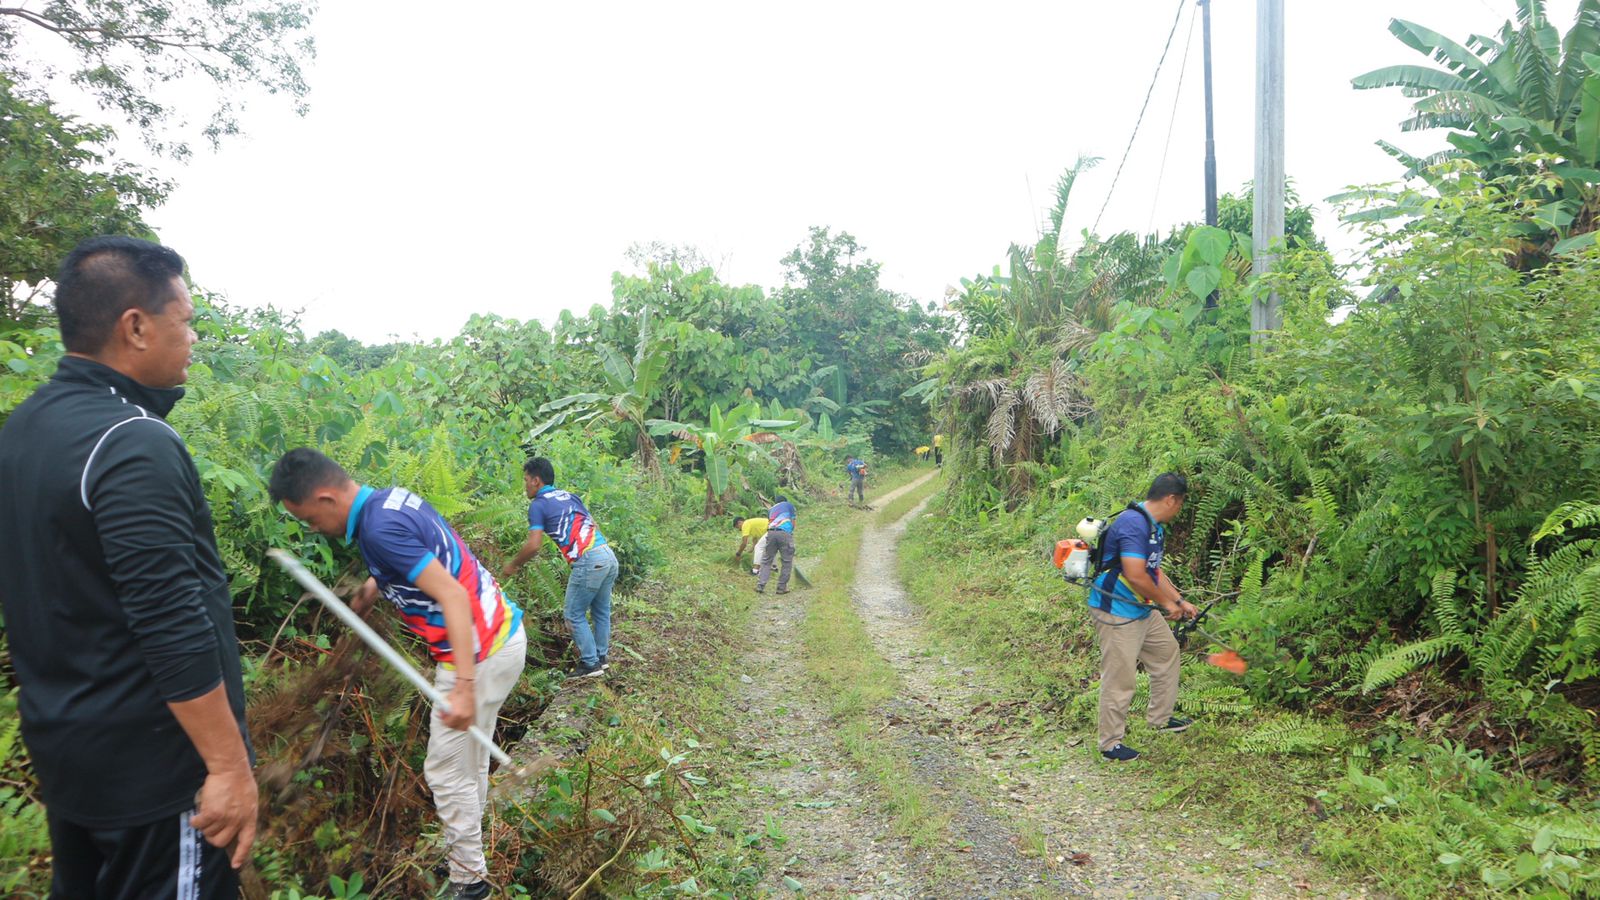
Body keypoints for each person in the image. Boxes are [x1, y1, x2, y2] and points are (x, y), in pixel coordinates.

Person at [0, 236, 256, 896]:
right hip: (158, 780)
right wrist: (228, 768)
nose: (193, 338)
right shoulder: (131, 442)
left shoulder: (23, 430)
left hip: (70, 761)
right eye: (186, 320)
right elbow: (171, 622)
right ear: (136, 327)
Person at [270, 449, 526, 899]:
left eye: (310, 519)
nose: (314, 529)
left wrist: (464, 687)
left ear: (326, 498)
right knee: (468, 763)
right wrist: (375, 585)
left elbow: (452, 596)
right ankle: (469, 853)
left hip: (477, 653)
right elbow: (421, 553)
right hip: (500, 635)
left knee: (445, 771)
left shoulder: (378, 529)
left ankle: (470, 882)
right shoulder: (387, 503)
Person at [1089, 472, 1198, 762]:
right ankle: (1110, 744)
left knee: (1166, 652)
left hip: (1140, 607)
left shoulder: (1153, 527)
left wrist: (1179, 601)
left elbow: (1153, 571)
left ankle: (1160, 719)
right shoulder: (1133, 523)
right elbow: (1136, 574)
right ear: (1171, 499)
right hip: (1116, 609)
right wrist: (1166, 604)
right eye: (1180, 504)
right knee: (1120, 676)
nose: (1179, 510)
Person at [503, 457, 619, 679]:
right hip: (607, 554)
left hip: (589, 560)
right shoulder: (570, 496)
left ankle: (590, 663)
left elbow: (534, 545)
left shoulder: (538, 505)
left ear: (536, 480)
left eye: (526, 480)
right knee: (601, 611)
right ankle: (601, 658)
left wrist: (513, 564)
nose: (525, 485)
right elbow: (593, 524)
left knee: (573, 614)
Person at [756, 495, 797, 595]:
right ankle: (781, 588)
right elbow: (793, 523)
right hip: (784, 533)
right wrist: (789, 532)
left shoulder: (771, 509)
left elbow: (770, 522)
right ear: (785, 501)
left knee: (766, 561)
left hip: (771, 533)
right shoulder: (789, 505)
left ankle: (760, 585)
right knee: (786, 562)